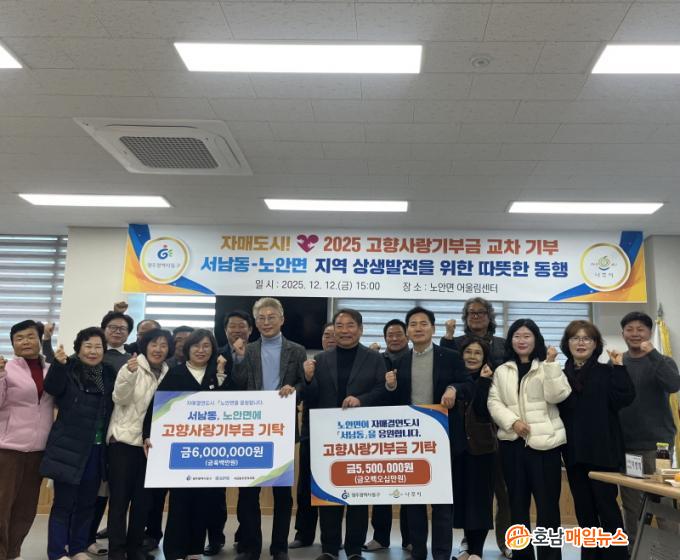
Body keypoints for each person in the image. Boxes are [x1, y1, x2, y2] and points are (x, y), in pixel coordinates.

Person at [303, 309, 389, 560]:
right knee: (328, 492)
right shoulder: (321, 359)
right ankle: (330, 549)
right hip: (328, 436)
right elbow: (311, 397)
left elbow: (382, 390)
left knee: (358, 495)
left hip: (361, 436)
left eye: (350, 325)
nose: (344, 331)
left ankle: (353, 550)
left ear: (360, 330)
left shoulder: (375, 358)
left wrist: (361, 400)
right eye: (339, 326)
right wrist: (308, 379)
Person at [386, 307, 470, 560]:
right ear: (407, 331)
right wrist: (391, 387)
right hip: (412, 441)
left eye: (424, 323)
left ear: (433, 328)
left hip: (443, 439)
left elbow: (469, 385)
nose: (418, 328)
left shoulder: (450, 356)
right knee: (414, 501)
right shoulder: (400, 362)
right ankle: (418, 553)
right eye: (413, 324)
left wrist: (454, 389)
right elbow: (393, 404)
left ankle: (441, 554)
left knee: (442, 503)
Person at [487, 319, 572, 560]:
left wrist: (552, 365)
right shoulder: (502, 370)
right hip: (512, 446)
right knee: (517, 507)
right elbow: (494, 402)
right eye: (517, 336)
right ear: (510, 340)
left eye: (527, 336)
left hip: (546, 446)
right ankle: (522, 556)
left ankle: (550, 557)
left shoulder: (547, 366)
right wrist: (512, 421)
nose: (521, 340)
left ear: (536, 339)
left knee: (548, 508)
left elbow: (557, 396)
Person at [143, 329, 229, 560]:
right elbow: (156, 407)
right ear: (188, 349)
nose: (201, 350)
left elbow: (230, 404)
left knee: (203, 502)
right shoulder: (176, 373)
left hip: (209, 451)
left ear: (213, 350)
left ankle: (194, 550)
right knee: (180, 502)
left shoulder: (217, 375)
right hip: (180, 450)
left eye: (206, 346)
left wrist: (221, 376)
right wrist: (147, 435)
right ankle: (174, 551)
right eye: (196, 346)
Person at [232, 298, 306, 560]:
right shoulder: (248, 350)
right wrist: (239, 359)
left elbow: (304, 383)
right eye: (261, 318)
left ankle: (279, 548)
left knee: (282, 494)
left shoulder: (297, 350)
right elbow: (238, 384)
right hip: (252, 428)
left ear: (281, 320)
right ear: (256, 323)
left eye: (271, 317)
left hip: (281, 427)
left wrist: (294, 389)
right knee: (248, 492)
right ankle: (251, 547)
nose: (266, 322)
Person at [558, 320, 635, 560]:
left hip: (603, 452)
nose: (581, 343)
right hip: (574, 452)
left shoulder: (608, 371)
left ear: (595, 344)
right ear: (567, 343)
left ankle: (616, 557)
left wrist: (619, 366)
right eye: (575, 338)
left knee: (608, 510)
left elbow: (625, 398)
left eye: (587, 338)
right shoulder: (559, 375)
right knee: (585, 513)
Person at [41, 328, 116, 560]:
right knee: (63, 504)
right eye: (88, 346)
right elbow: (52, 389)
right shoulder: (68, 367)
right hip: (68, 448)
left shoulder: (108, 373)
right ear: (79, 348)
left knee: (87, 503)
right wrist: (58, 365)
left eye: (98, 347)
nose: (93, 351)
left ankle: (77, 549)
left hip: (97, 449)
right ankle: (57, 552)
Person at [106, 329, 173, 560]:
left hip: (151, 447)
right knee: (119, 501)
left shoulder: (168, 372)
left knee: (142, 503)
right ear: (145, 346)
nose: (158, 349)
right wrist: (129, 375)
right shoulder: (131, 366)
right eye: (154, 344)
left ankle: (134, 549)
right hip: (124, 442)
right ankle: (116, 551)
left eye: (163, 345)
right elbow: (119, 398)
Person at [616, 311, 680, 547]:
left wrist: (652, 353)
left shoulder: (662, 361)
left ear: (649, 333)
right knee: (632, 505)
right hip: (627, 447)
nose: (635, 334)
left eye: (640, 329)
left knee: (663, 501)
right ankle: (634, 550)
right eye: (629, 329)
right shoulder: (617, 362)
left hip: (658, 446)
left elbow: (673, 384)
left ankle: (672, 551)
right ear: (622, 333)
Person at [0, 320, 54, 560]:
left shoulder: (51, 369)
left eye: (30, 336)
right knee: (2, 506)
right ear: (13, 344)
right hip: (7, 448)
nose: (25, 342)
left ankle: (13, 552)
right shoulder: (7, 369)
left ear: (39, 339)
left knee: (26, 508)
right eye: (19, 338)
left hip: (38, 450)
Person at [204, 310, 255, 557]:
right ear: (225, 331)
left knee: (248, 490)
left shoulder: (258, 352)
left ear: (250, 330)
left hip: (252, 427)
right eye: (232, 326)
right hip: (220, 428)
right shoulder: (214, 354)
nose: (237, 330)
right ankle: (215, 538)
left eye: (241, 326)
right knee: (215, 489)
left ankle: (244, 538)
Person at [363, 318, 410, 553]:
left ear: (407, 336)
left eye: (398, 334)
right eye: (390, 335)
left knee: (411, 487)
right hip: (380, 429)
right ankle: (380, 537)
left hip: (412, 429)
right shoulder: (376, 360)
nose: (394, 338)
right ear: (384, 338)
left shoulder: (415, 358)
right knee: (381, 485)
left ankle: (410, 538)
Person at [450, 337, 498, 560]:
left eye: (477, 353)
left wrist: (484, 382)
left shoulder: (492, 380)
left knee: (479, 502)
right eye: (468, 352)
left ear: (485, 358)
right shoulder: (453, 379)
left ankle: (477, 551)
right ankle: (468, 548)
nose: (472, 356)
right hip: (457, 449)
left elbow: (482, 410)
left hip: (482, 449)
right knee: (463, 501)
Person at [291, 322, 336, 550]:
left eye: (334, 335)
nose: (330, 339)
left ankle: (333, 537)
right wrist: (307, 378)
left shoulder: (349, 363)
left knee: (334, 484)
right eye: (326, 335)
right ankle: (304, 534)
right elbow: (303, 395)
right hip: (312, 433)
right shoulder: (312, 363)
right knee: (305, 486)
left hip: (340, 436)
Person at [440, 298, 506, 369]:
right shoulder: (455, 343)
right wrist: (448, 335)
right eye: (472, 313)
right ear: (466, 318)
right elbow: (444, 363)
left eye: (480, 312)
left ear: (490, 317)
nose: (476, 316)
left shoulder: (503, 344)